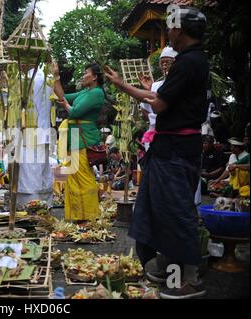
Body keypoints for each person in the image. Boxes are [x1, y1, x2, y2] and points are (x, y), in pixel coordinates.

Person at [104, 7, 209, 299]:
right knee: (156, 206)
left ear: (182, 30)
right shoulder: (189, 61)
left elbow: (158, 103)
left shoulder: (189, 63)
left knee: (175, 210)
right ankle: (167, 263)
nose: (169, 33)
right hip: (168, 148)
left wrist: (120, 85)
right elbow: (159, 98)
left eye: (172, 28)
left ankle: (189, 277)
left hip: (176, 149)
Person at [53, 62, 105, 222]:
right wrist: (56, 76)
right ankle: (77, 216)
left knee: (83, 176)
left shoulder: (97, 93)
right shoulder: (85, 92)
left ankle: (89, 217)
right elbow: (61, 97)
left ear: (95, 77)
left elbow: (75, 111)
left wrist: (67, 105)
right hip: (74, 136)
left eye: (86, 73)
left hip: (83, 138)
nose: (83, 75)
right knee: (73, 177)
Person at [17, 67, 55, 208]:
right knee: (40, 171)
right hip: (42, 131)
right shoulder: (47, 76)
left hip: (30, 130)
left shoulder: (24, 78)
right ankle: (45, 205)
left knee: (30, 173)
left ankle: (31, 208)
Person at [138, 47, 178, 151]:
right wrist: (149, 90)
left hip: (175, 136)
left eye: (168, 62)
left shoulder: (181, 84)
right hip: (154, 136)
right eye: (162, 63)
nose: (164, 66)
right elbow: (145, 112)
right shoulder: (155, 85)